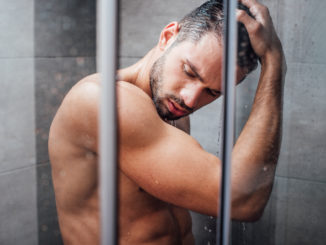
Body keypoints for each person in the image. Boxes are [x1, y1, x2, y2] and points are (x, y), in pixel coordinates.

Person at [48, 0, 286, 244]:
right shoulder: (102, 100)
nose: (190, 100)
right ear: (168, 36)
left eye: (213, 92)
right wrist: (274, 62)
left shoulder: (168, 110)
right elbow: (240, 200)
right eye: (189, 72)